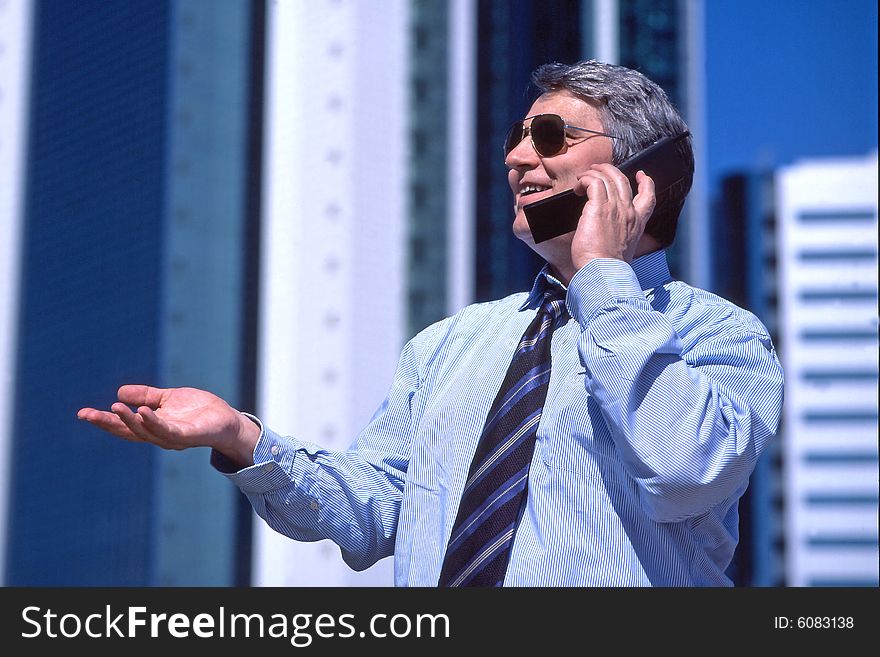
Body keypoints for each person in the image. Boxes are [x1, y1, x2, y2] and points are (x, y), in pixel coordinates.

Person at [78, 60, 784, 586]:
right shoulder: (450, 344)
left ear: (636, 173)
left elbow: (684, 469)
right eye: (516, 136)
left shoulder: (719, 335)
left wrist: (605, 278)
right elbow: (375, 510)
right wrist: (242, 437)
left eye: (548, 136)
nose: (515, 158)